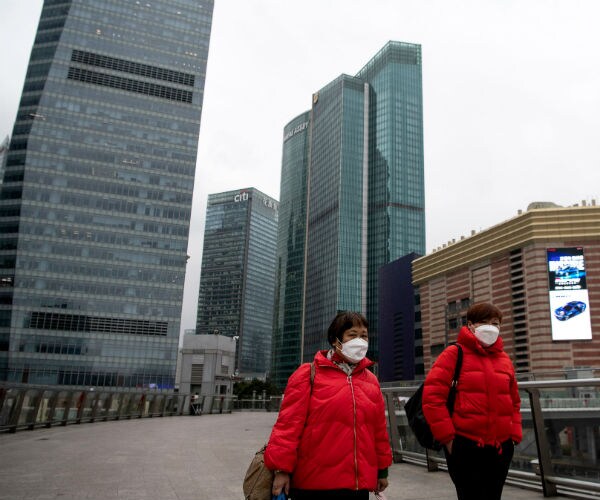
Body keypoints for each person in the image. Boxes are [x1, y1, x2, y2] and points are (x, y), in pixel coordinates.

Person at [264, 311, 392, 500]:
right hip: (313, 485)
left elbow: (379, 430)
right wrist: (281, 470)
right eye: (352, 335)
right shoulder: (308, 374)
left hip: (357, 487)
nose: (360, 341)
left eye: (364, 335)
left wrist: (382, 470)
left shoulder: (371, 380)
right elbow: (287, 427)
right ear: (335, 340)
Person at [422, 302, 522, 500]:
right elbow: (432, 398)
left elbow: (514, 401)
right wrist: (449, 439)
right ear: (470, 325)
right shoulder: (454, 353)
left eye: (495, 323)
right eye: (483, 322)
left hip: (500, 447)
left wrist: (514, 436)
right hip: (465, 444)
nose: (490, 327)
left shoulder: (504, 359)